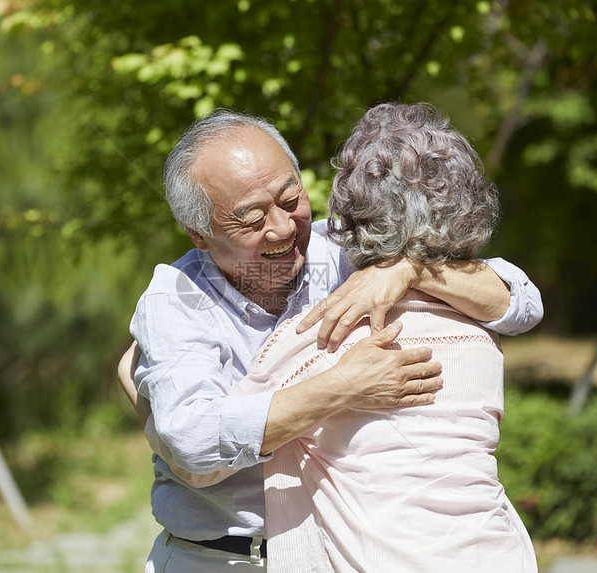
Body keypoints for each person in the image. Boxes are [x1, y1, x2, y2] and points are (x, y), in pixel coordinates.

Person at [127, 109, 543, 572]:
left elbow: (520, 302)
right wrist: (343, 387)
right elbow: (194, 443)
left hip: (337, 556)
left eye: (290, 199)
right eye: (251, 220)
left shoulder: (346, 251)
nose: (283, 228)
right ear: (199, 234)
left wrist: (410, 268)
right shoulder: (175, 300)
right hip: (215, 559)